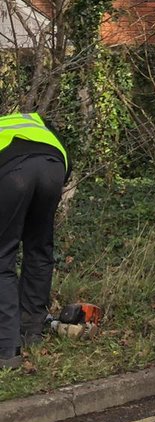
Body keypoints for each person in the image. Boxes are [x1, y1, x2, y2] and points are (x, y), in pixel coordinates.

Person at [0, 112, 69, 370]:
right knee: (39, 249)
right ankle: (31, 331)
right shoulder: (36, 122)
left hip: (12, 173)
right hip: (54, 167)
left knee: (2, 258)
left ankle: (6, 349)